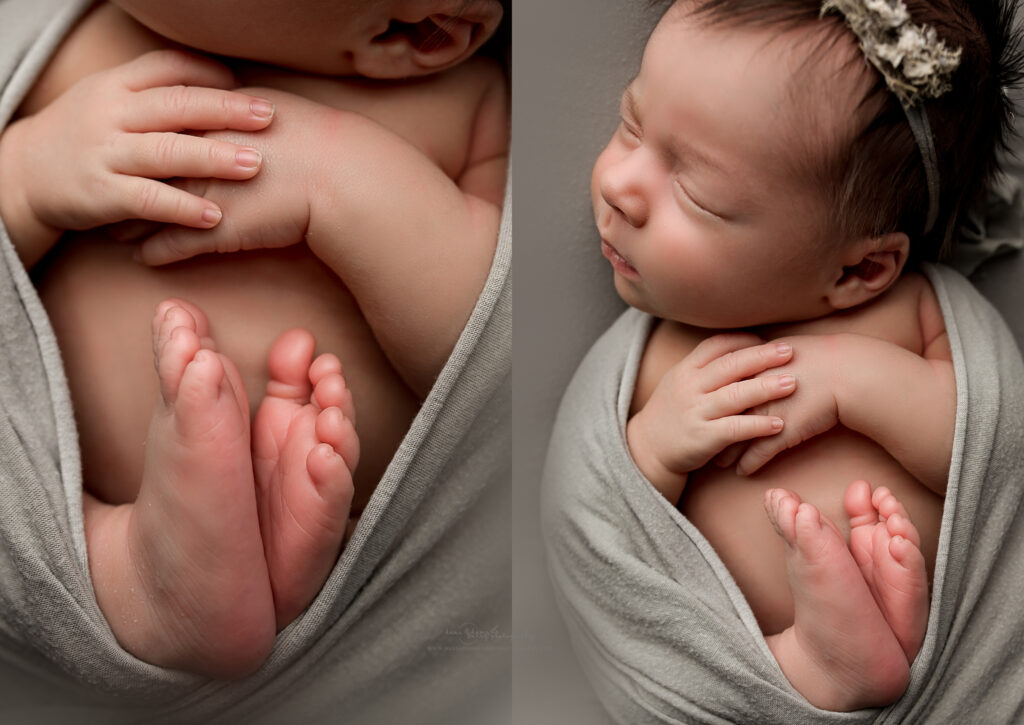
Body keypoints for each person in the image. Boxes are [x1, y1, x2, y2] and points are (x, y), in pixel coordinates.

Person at [0, 0, 507, 679]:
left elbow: (490, 374)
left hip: (343, 547)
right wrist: (28, 176)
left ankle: (249, 554)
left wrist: (338, 179)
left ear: (414, 29)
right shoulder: (69, 42)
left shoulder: (468, 106)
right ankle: (132, 576)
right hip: (42, 485)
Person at [583, 0, 1013, 711]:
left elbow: (989, 449)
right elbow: (611, 519)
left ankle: (862, 643)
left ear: (859, 272)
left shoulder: (909, 315)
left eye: (695, 191)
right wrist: (655, 448)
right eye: (631, 125)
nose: (619, 186)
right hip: (756, 672)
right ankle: (815, 662)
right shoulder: (662, 354)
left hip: (953, 661)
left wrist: (853, 381)